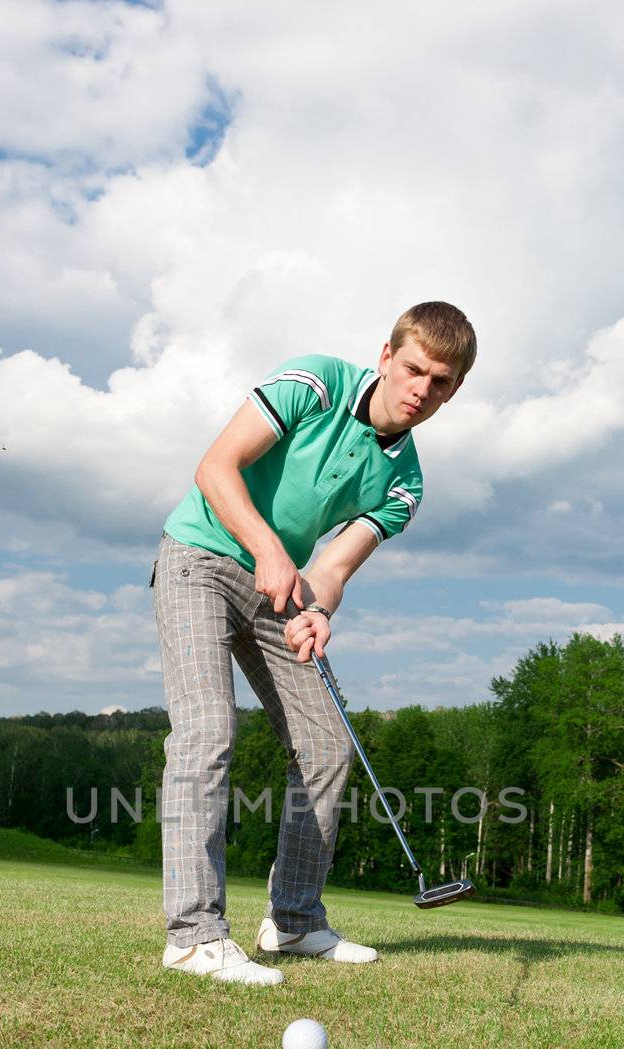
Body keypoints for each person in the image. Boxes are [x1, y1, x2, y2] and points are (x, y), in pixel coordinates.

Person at [152, 300, 477, 985]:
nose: (422, 390)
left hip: (277, 590)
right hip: (198, 559)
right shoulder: (315, 383)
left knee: (327, 744)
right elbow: (215, 467)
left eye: (441, 382)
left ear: (454, 391)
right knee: (208, 732)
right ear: (386, 357)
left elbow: (330, 567)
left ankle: (294, 922)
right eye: (414, 369)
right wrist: (270, 552)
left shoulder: (405, 482)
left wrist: (319, 608)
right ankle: (193, 935)